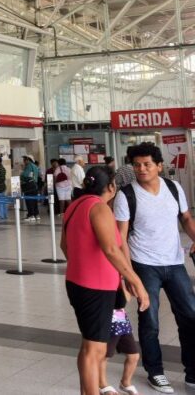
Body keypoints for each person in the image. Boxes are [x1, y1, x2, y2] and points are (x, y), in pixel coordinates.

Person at [114, 143, 195, 393]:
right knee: (150, 321)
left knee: (191, 317)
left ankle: (193, 373)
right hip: (144, 264)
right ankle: (155, 372)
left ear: (159, 166)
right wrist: (129, 275)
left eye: (147, 164)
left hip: (175, 262)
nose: (141, 169)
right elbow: (121, 237)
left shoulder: (173, 188)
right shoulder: (126, 195)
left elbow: (186, 218)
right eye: (137, 165)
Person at [61, 165, 149, 395]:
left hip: (78, 283)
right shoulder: (99, 208)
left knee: (89, 345)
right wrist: (136, 282)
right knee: (95, 350)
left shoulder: (75, 205)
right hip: (96, 288)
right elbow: (111, 249)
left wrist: (82, 266)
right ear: (111, 186)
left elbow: (64, 246)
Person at [100, 286, 141, 395]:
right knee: (104, 356)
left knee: (134, 356)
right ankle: (102, 384)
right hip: (106, 320)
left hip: (120, 319)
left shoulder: (121, 280)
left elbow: (124, 300)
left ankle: (125, 383)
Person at [21, 156, 41, 222]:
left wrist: (21, 174)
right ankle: (36, 215)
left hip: (28, 185)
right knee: (34, 201)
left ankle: (31, 215)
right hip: (34, 185)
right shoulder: (35, 166)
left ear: (28, 160)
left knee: (29, 200)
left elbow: (25, 175)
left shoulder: (29, 166)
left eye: (24, 160)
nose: (24, 161)